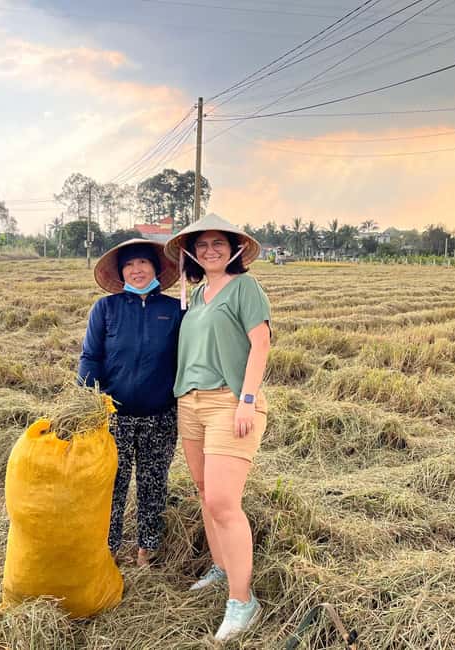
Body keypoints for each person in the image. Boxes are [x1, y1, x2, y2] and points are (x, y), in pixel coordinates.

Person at [164, 214, 270, 642]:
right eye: (202, 245)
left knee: (225, 502)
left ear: (234, 249)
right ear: (192, 253)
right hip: (190, 403)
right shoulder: (197, 295)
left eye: (218, 244)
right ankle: (222, 567)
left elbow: (261, 343)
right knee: (206, 492)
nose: (210, 250)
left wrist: (247, 399)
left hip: (229, 401)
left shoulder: (245, 288)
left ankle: (243, 602)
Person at [78, 238, 182, 568]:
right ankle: (106, 549)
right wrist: (85, 401)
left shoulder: (175, 310)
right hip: (114, 418)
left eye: (143, 263)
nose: (136, 270)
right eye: (129, 265)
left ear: (155, 268)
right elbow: (90, 357)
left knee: (154, 482)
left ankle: (146, 550)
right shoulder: (105, 309)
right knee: (110, 484)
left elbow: (187, 360)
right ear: (121, 272)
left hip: (160, 417)